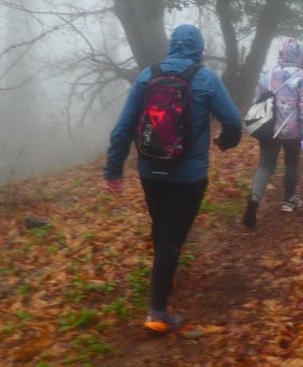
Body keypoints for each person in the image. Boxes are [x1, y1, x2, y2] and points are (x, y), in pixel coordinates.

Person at [104, 24, 242, 333]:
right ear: (199, 49)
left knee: (162, 225)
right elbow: (233, 120)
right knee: (171, 237)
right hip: (189, 176)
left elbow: (123, 127)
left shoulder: (146, 76)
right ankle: (157, 312)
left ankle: (165, 275)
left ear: (172, 46)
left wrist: (113, 170)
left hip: (150, 171)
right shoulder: (205, 78)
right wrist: (226, 142)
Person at [242, 38, 303, 228]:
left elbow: (258, 99)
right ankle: (288, 200)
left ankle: (254, 199)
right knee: (292, 163)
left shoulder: (268, 74)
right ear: (300, 56)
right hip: (292, 131)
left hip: (269, 129)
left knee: (266, 165)